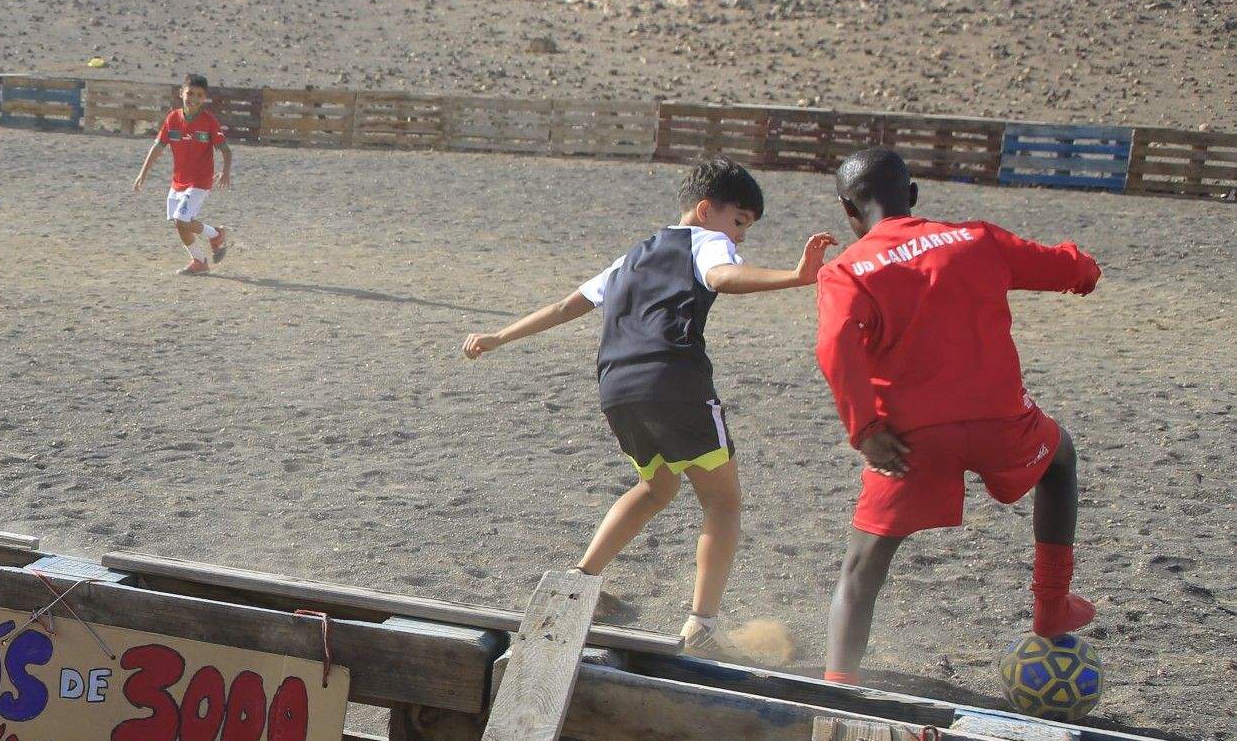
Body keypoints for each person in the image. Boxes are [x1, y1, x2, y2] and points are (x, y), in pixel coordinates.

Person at [462, 157, 833, 654]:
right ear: (706, 210)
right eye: (739, 222)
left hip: (616, 387)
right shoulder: (707, 241)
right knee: (722, 501)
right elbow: (721, 276)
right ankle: (702, 625)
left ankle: (576, 586)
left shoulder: (632, 255)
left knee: (657, 486)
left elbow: (566, 306)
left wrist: (499, 336)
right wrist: (796, 276)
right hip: (673, 380)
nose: (741, 236)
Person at [814, 147, 1101, 684]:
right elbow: (1071, 268)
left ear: (849, 211)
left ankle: (839, 686)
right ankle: (1051, 606)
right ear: (912, 194)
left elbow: (834, 349)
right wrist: (1085, 271)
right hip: (1003, 424)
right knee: (1060, 459)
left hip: (908, 442)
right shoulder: (977, 238)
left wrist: (867, 430)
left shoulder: (846, 271)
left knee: (862, 567)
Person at [131, 74, 233, 274]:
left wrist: (225, 171)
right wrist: (143, 173)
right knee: (179, 224)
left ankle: (215, 235)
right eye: (190, 93)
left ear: (204, 98)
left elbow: (226, 150)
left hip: (200, 182)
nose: (193, 98)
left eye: (199, 95)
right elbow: (158, 146)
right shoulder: (172, 118)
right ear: (181, 93)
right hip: (178, 182)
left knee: (182, 219)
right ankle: (200, 261)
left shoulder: (209, 121)